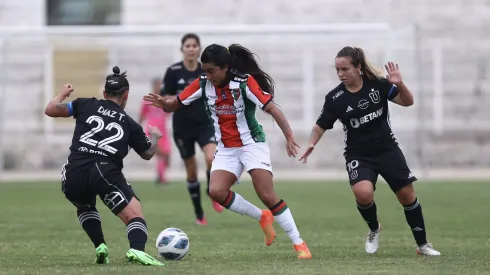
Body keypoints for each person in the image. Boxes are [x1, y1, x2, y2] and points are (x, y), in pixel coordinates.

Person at [145, 44, 312, 259]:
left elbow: (272, 108)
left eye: (211, 70)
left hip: (252, 144)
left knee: (266, 194)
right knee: (216, 191)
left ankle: (299, 243)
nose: (207, 75)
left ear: (225, 67)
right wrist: (163, 103)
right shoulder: (203, 83)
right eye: (204, 70)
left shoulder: (244, 83)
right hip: (226, 148)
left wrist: (289, 136)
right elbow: (175, 104)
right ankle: (262, 217)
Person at [299, 46, 441, 256]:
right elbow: (320, 126)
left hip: (387, 149)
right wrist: (312, 142)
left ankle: (422, 245)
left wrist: (399, 84)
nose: (340, 74)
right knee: (363, 193)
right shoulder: (335, 98)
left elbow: (408, 102)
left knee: (407, 195)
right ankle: (374, 228)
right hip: (358, 154)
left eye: (345, 69)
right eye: (337, 70)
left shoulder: (379, 85)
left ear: (358, 68)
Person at [44, 66, 165, 266]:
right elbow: (147, 153)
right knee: (134, 213)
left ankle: (100, 246)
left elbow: (51, 109)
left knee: (84, 205)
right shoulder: (128, 123)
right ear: (126, 95)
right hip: (104, 170)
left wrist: (63, 93)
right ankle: (137, 250)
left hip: (73, 171)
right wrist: (154, 136)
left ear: (104, 93)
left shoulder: (85, 104)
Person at [160, 33, 224, 225]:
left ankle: (212, 190)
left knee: (211, 158)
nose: (191, 49)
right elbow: (165, 99)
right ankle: (199, 213)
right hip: (182, 127)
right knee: (191, 169)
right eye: (187, 45)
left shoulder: (206, 72)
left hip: (205, 124)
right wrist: (175, 98)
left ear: (199, 49)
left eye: (194, 45)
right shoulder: (173, 71)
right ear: (182, 49)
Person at [139, 78, 171, 185]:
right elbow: (142, 115)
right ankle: (162, 178)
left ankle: (160, 174)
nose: (158, 87)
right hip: (152, 130)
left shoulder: (164, 99)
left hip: (163, 131)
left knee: (167, 155)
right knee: (160, 154)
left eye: (160, 85)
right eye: (157, 85)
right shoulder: (147, 100)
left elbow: (169, 112)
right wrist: (138, 129)